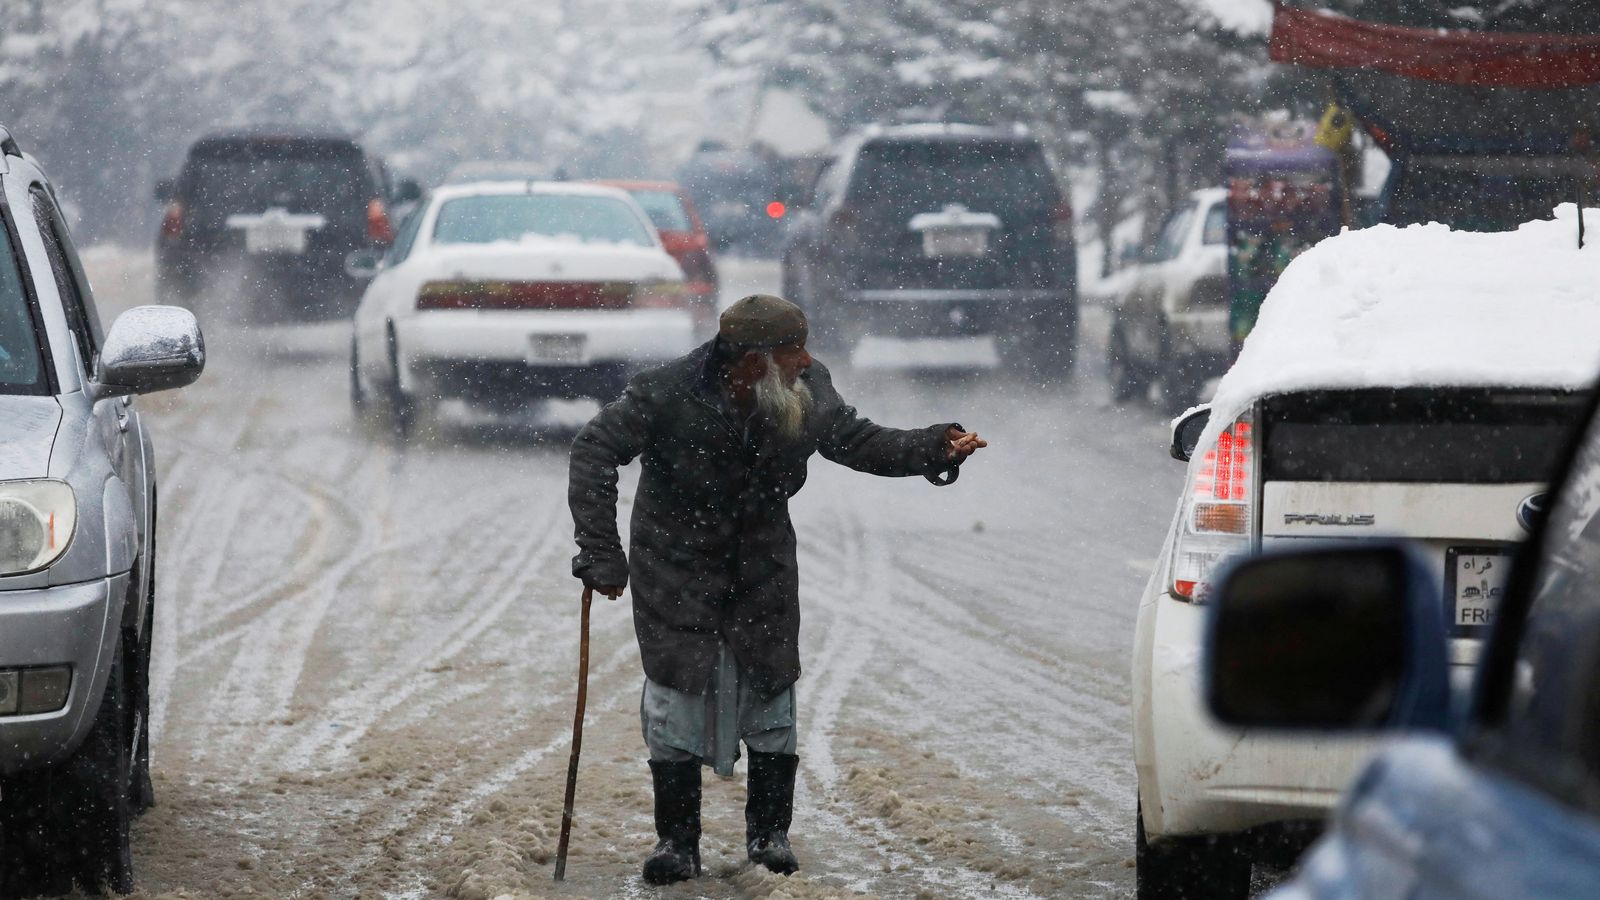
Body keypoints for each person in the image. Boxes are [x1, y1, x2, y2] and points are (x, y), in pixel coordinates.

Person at [567, 294, 987, 885]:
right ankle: (677, 843)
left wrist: (932, 447)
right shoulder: (667, 391)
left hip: (761, 564)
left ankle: (769, 837)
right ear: (755, 360)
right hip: (675, 566)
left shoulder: (807, 387)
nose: (807, 359)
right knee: (676, 698)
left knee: (771, 694)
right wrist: (601, 552)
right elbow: (594, 449)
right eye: (794, 350)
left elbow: (856, 440)